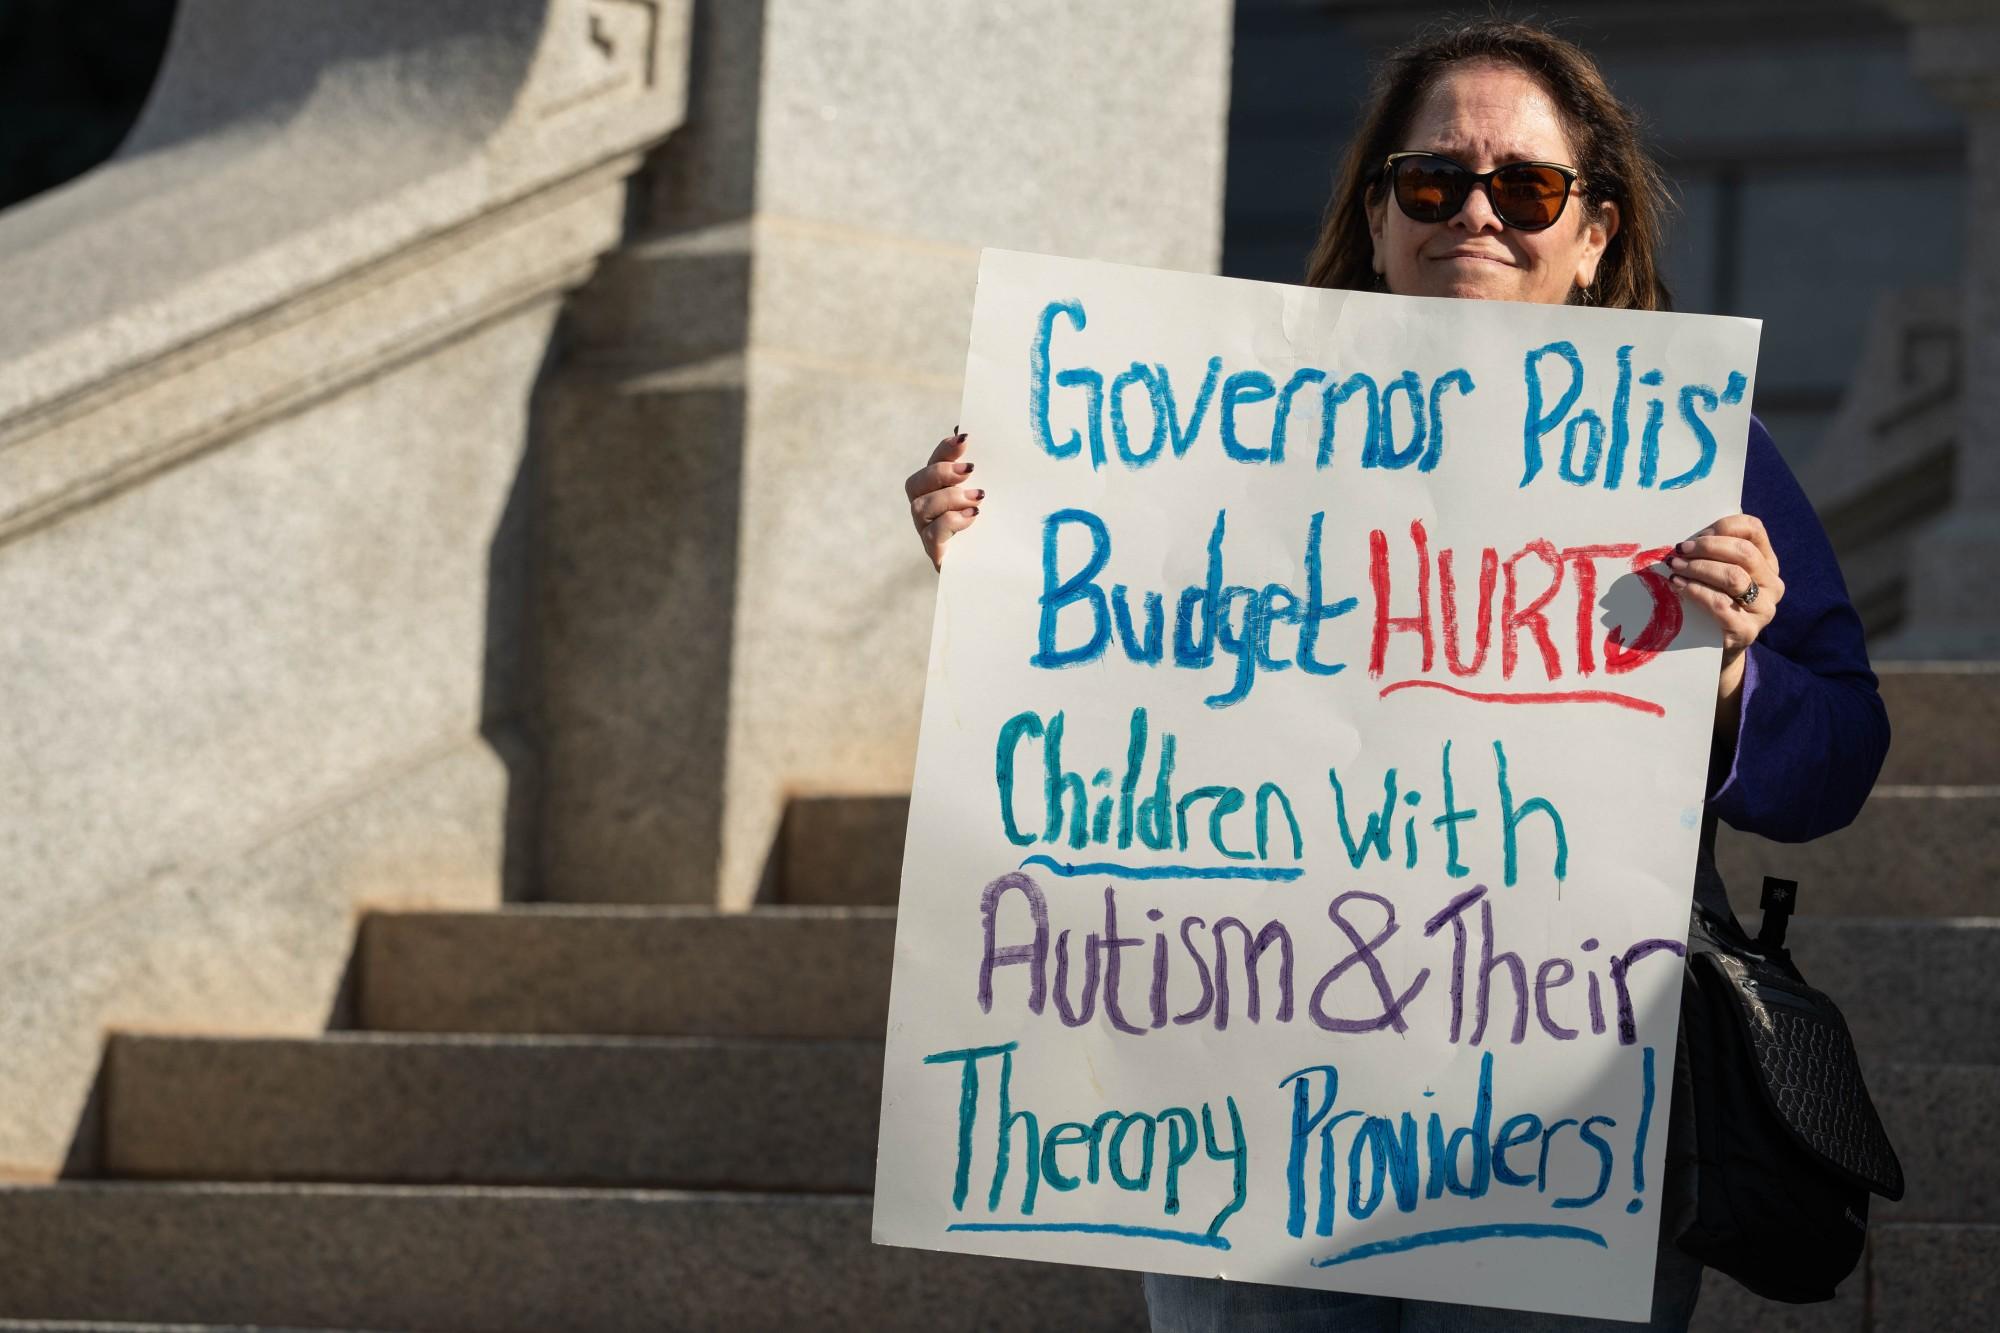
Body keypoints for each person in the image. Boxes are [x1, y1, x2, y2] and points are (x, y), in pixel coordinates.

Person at [900, 17, 1889, 1332]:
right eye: (1432, 182)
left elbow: (1839, 756)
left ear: (1594, 237)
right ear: (1375, 222)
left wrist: (1730, 684)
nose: (1474, 212)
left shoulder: (1699, 456)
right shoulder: (1201, 438)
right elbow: (1096, 729)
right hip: (1240, 1115)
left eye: (1525, 186)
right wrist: (1004, 577)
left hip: (1559, 1126)